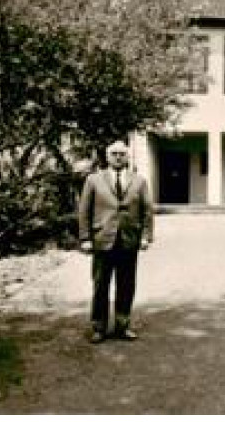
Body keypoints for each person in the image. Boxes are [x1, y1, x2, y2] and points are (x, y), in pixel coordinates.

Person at [77, 139, 154, 343]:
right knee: (101, 285)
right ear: (107, 156)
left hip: (129, 240)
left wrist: (145, 236)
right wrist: (85, 238)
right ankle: (98, 328)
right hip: (103, 239)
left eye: (122, 154)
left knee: (126, 285)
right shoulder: (94, 180)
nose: (118, 157)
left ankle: (123, 325)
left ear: (127, 157)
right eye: (114, 154)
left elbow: (147, 211)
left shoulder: (139, 181)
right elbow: (84, 211)